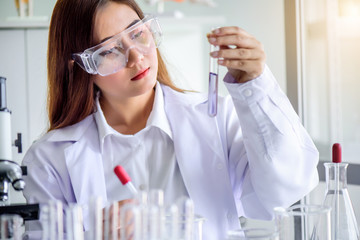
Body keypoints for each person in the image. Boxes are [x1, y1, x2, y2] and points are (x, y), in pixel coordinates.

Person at [22, 0, 319, 239]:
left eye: (137, 33)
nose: (136, 57)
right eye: (111, 50)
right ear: (81, 66)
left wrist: (255, 87)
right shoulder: (50, 159)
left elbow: (286, 190)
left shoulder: (215, 119)